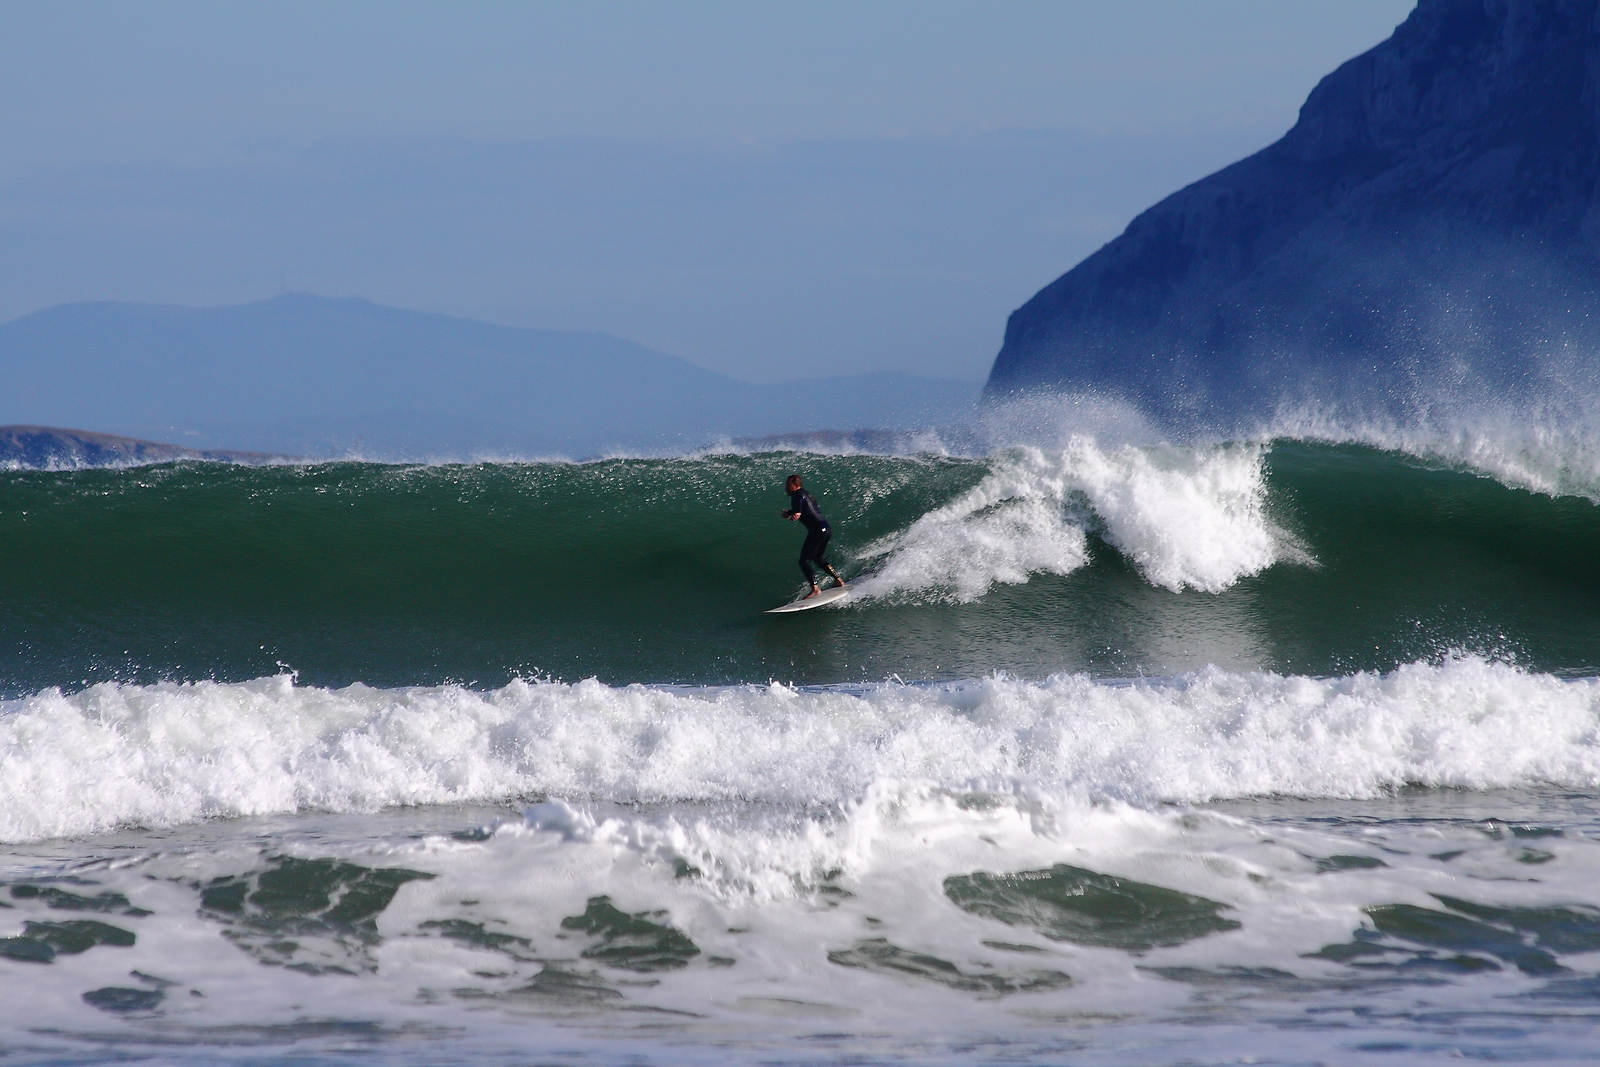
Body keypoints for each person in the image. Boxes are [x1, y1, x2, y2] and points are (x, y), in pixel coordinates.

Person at [781, 474, 845, 599]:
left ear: (796, 485)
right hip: (826, 528)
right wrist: (789, 513)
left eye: (788, 485)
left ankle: (815, 588)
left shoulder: (797, 494)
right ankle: (838, 580)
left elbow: (799, 509)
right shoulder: (806, 494)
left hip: (816, 530)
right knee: (817, 558)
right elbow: (804, 509)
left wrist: (796, 513)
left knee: (804, 561)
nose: (786, 487)